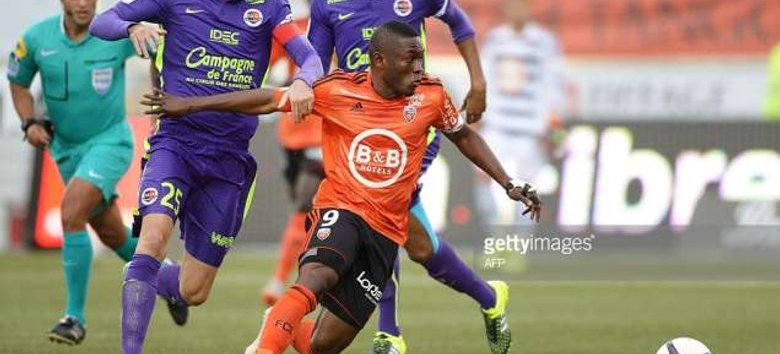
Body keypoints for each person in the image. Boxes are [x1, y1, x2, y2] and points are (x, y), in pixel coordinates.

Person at [141, 20, 541, 354]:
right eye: (410, 59)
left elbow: (464, 136)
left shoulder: (431, 97)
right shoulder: (336, 90)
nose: (419, 68)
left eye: (421, 57)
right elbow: (266, 99)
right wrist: (190, 105)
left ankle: (279, 320)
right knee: (317, 277)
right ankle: (270, 341)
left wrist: (508, 182)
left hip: (386, 233)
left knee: (321, 346)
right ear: (380, 62)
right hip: (342, 210)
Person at [89, 0, 323, 353]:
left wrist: (306, 80)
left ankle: (162, 282)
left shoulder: (269, 5)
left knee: (194, 290)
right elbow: (104, 20)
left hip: (229, 161)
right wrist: (132, 27)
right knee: (152, 238)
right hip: (174, 144)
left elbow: (307, 55)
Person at [306, 0, 500, 353]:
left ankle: (389, 333)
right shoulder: (328, 0)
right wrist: (306, 92)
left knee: (382, 208)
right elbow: (314, 66)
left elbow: (461, 24)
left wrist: (478, 81)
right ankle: (490, 297)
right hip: (360, 126)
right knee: (420, 247)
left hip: (413, 124)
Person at [6, 0, 184, 346]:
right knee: (112, 233)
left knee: (70, 212)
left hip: (110, 143)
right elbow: (18, 82)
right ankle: (171, 278)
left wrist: (166, 94)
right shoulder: (37, 39)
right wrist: (28, 123)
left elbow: (160, 51)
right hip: (65, 151)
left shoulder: (112, 34)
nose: (84, 2)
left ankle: (74, 318)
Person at [478, 0, 567, 230]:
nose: (517, 10)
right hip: (497, 126)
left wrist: (552, 124)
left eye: (522, 5)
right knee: (485, 181)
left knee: (527, 190)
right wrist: (478, 117)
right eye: (513, 5)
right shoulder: (496, 40)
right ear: (506, 8)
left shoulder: (544, 42)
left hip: (530, 130)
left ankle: (519, 248)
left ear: (529, 8)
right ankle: (495, 240)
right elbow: (483, 80)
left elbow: (553, 84)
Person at [261, 0, 325, 307]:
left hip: (326, 133)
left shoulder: (346, 31)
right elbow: (260, 66)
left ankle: (281, 281)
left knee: (305, 207)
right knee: (305, 210)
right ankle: (300, 277)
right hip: (293, 133)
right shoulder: (293, 31)